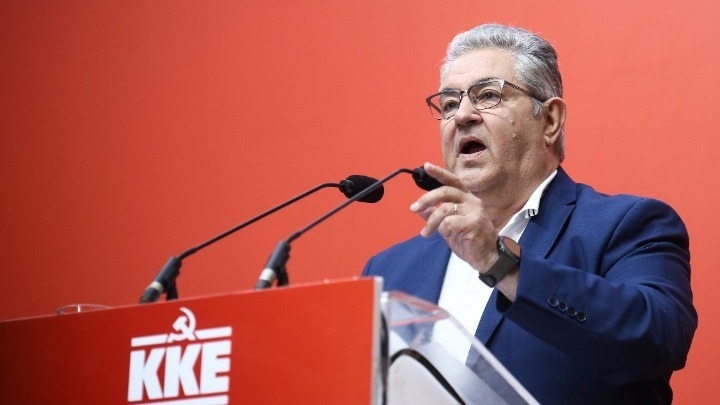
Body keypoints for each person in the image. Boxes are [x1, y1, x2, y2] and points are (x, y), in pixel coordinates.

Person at [363, 23, 697, 404]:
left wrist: (501, 262)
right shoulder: (389, 270)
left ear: (550, 120)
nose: (462, 115)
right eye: (450, 103)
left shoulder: (626, 227)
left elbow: (656, 341)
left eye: (488, 95)